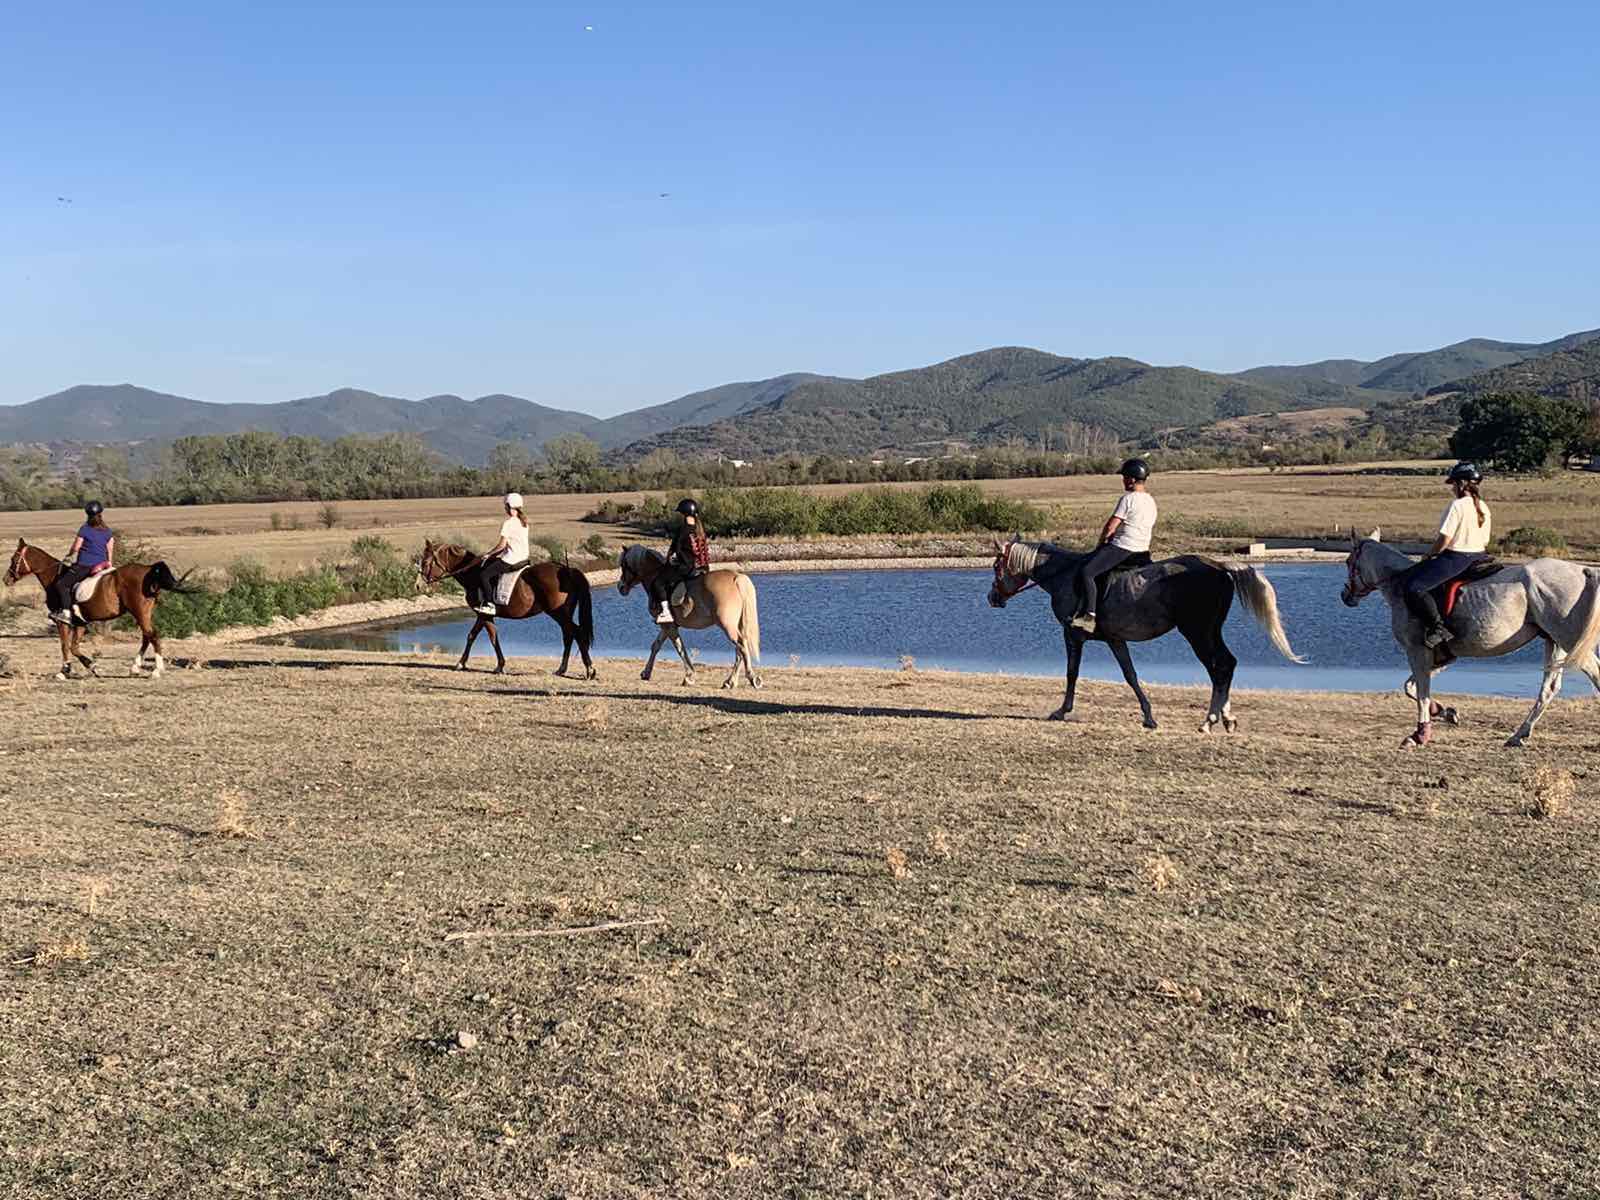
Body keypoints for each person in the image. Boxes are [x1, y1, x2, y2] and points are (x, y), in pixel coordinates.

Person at [1402, 461, 1493, 648]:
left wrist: (1430, 555)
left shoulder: (1457, 506)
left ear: (1461, 484)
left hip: (1457, 557)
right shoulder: (1484, 507)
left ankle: (1438, 628)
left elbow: (1444, 539)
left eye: (1453, 484)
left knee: (1414, 587)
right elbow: (1485, 541)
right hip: (1480, 555)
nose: (1452, 488)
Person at [1070, 459, 1157, 634]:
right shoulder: (1151, 501)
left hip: (1124, 548)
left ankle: (1089, 617)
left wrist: (1101, 543)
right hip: (1143, 550)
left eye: (1125, 477)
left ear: (1132, 479)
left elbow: (1111, 526)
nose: (1123, 480)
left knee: (1087, 572)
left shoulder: (1128, 499)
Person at [48, 500, 115, 625]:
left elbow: (76, 547)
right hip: (101, 566)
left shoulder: (85, 529)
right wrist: (109, 563)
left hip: (85, 566)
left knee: (62, 585)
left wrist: (69, 554)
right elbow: (109, 549)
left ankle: (66, 613)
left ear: (87, 515)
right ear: (101, 514)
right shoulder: (107, 531)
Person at [465, 493, 531, 616]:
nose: (505, 508)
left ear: (508, 506)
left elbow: (501, 545)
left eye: (505, 506)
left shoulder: (508, 523)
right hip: (524, 558)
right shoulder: (524, 522)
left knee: (484, 575)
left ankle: (490, 604)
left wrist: (488, 554)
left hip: (511, 559)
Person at [650, 498, 709, 624]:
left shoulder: (683, 530)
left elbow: (674, 551)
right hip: (703, 567)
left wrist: (671, 561)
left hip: (687, 568)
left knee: (658, 583)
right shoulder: (700, 530)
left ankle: (666, 613)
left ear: (684, 514)